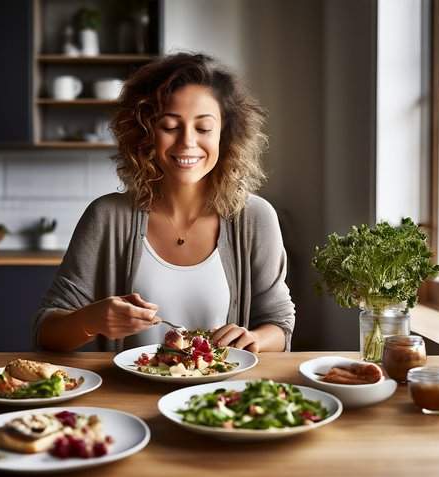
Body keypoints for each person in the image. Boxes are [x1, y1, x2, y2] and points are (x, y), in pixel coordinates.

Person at [34, 52, 295, 353]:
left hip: (219, 399)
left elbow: (280, 326)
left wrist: (256, 340)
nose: (187, 142)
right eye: (170, 126)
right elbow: (45, 331)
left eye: (203, 128)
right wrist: (91, 321)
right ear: (145, 132)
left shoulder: (255, 217)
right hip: (127, 399)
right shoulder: (106, 217)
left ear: (225, 135)